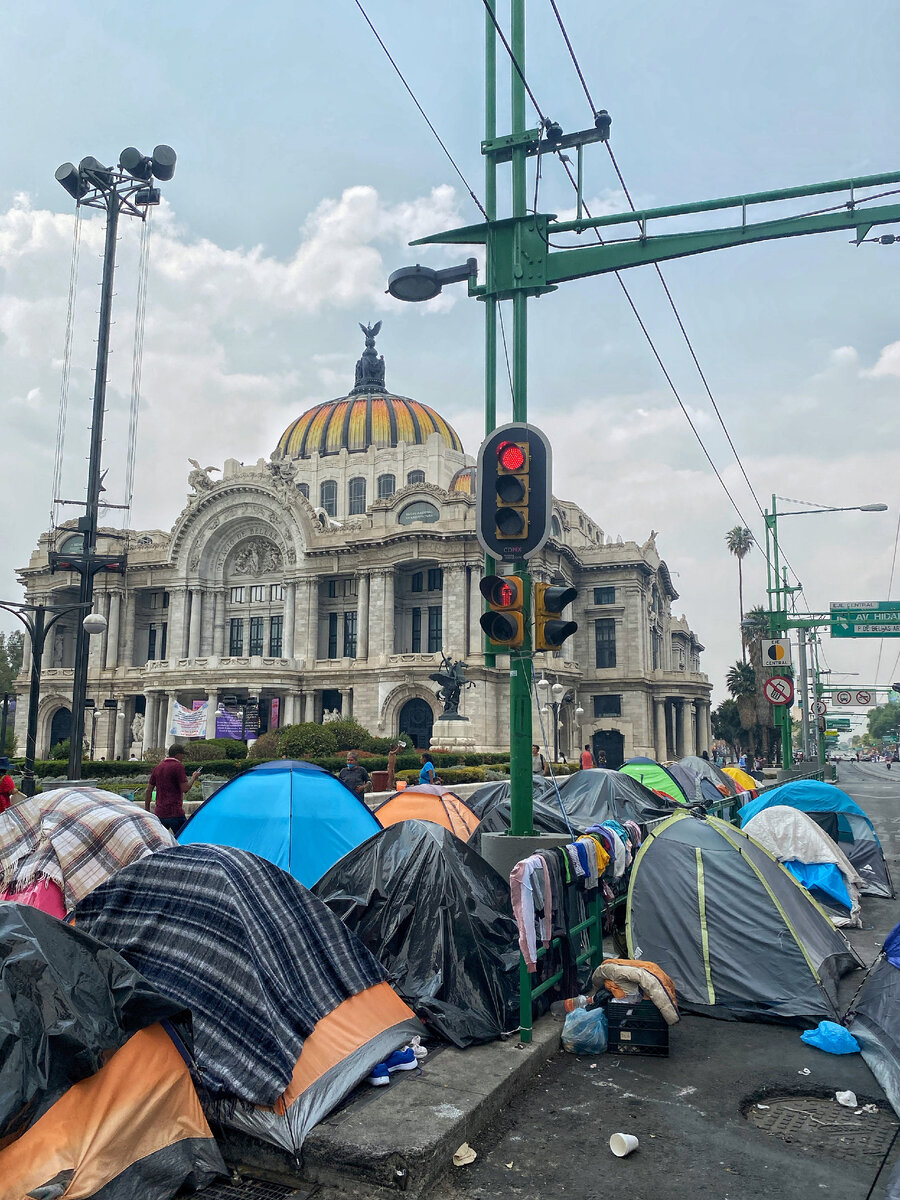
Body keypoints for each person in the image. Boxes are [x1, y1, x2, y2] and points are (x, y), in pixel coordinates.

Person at [145, 744, 200, 836]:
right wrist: (194, 777)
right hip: (175, 813)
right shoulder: (178, 766)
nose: (183, 757)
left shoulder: (158, 767)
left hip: (160, 813)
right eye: (182, 754)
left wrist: (147, 809)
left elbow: (149, 789)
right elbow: (185, 789)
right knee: (185, 839)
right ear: (177, 754)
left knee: (161, 842)